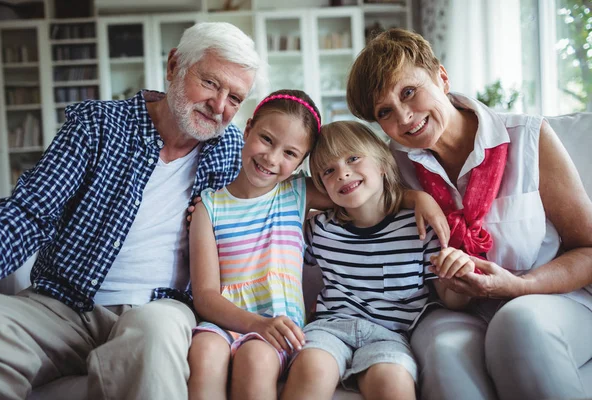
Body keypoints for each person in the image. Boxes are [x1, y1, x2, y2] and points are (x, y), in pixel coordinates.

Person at [0, 22, 265, 400]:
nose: (219, 107)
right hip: (63, 304)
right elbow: (28, 212)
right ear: (174, 66)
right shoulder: (97, 125)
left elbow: (294, 181)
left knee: (155, 336)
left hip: (160, 308)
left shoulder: (234, 150)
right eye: (211, 84)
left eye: (235, 98)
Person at [345, 28, 592, 400]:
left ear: (441, 77)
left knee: (518, 320)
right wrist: (413, 197)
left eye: (408, 92)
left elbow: (588, 248)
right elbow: (321, 185)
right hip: (459, 309)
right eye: (385, 112)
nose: (405, 116)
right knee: (445, 352)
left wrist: (519, 287)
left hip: (550, 298)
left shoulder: (527, 138)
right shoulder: (390, 166)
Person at [279, 121, 473, 400]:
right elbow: (276, 214)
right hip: (329, 328)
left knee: (393, 384)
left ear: (383, 163)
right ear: (322, 186)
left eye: (353, 158)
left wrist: (458, 274)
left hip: (390, 335)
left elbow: (450, 298)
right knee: (312, 370)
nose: (343, 173)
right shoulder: (319, 229)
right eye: (328, 171)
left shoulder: (419, 226)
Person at [186, 89, 329, 400]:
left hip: (278, 326)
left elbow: (360, 190)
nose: (272, 158)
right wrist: (254, 324)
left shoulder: (295, 194)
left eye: (290, 153)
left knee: (255, 358)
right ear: (248, 128)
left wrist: (415, 197)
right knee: (204, 350)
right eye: (266, 139)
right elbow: (206, 296)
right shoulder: (208, 207)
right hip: (225, 321)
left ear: (302, 161)